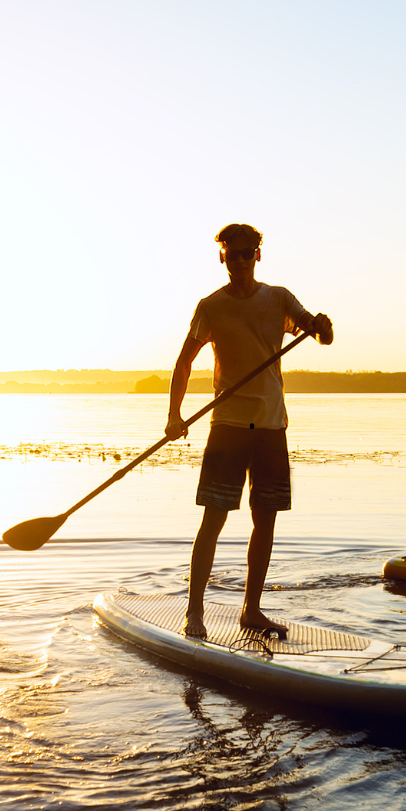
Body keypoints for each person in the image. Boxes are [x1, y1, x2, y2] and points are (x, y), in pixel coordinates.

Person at [165, 224, 332, 640]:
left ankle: (251, 610)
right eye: (232, 253)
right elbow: (184, 362)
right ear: (222, 256)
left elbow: (320, 336)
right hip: (229, 425)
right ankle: (194, 611)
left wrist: (323, 327)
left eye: (247, 252)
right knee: (213, 519)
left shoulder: (279, 299)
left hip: (271, 425)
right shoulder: (211, 307)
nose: (239, 260)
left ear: (258, 254)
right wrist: (174, 415)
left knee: (265, 520)